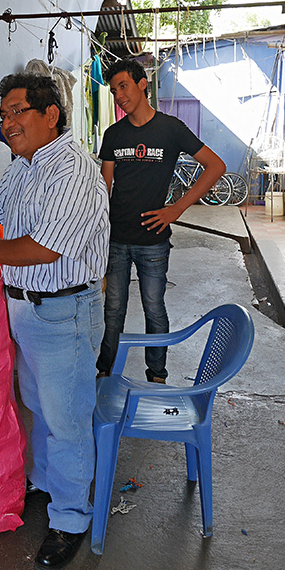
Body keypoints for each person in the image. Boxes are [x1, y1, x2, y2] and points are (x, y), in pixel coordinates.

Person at [0, 72, 108, 570]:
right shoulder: (26, 164)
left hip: (63, 310)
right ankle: (50, 486)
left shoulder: (71, 169)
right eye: (4, 114)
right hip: (27, 308)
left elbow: (44, 247)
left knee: (67, 418)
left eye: (17, 111)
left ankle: (71, 519)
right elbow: (1, 204)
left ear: (50, 114)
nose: (7, 122)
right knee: (36, 404)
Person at [97, 58, 226, 383]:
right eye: (114, 91)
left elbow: (215, 166)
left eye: (123, 86)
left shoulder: (170, 129)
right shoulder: (113, 135)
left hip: (153, 241)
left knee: (154, 308)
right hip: (116, 240)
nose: (119, 96)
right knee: (113, 311)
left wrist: (177, 208)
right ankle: (105, 373)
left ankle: (157, 374)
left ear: (142, 84)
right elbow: (103, 188)